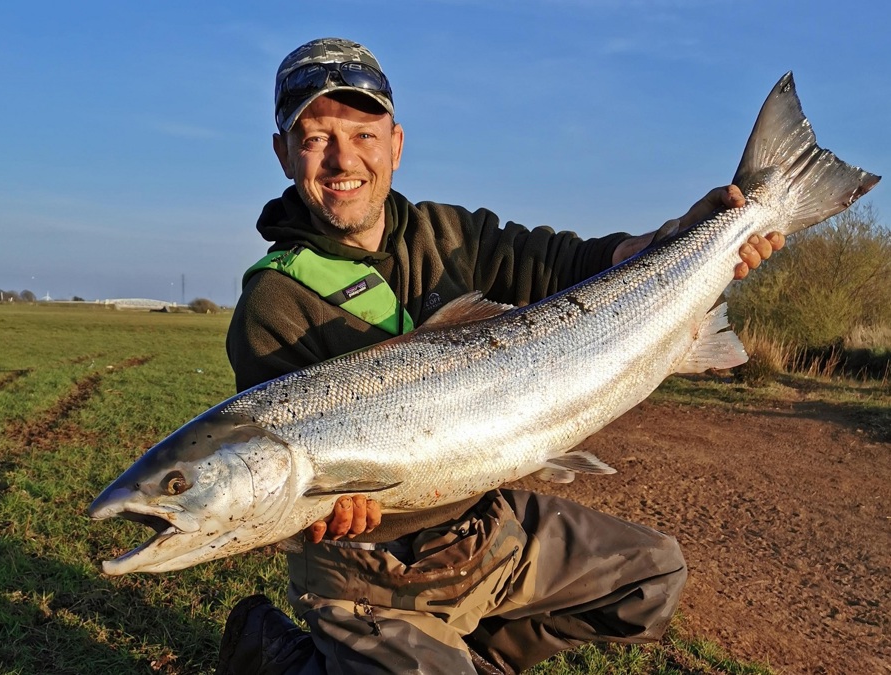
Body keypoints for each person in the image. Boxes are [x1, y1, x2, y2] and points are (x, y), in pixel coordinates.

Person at [218, 37, 783, 675]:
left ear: (396, 144)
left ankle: (463, 659)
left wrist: (686, 235)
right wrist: (325, 510)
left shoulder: (449, 233)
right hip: (369, 565)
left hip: (478, 527)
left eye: (363, 133)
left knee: (652, 578)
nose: (342, 158)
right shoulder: (274, 300)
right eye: (316, 137)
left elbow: (575, 263)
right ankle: (277, 658)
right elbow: (270, 492)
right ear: (283, 153)